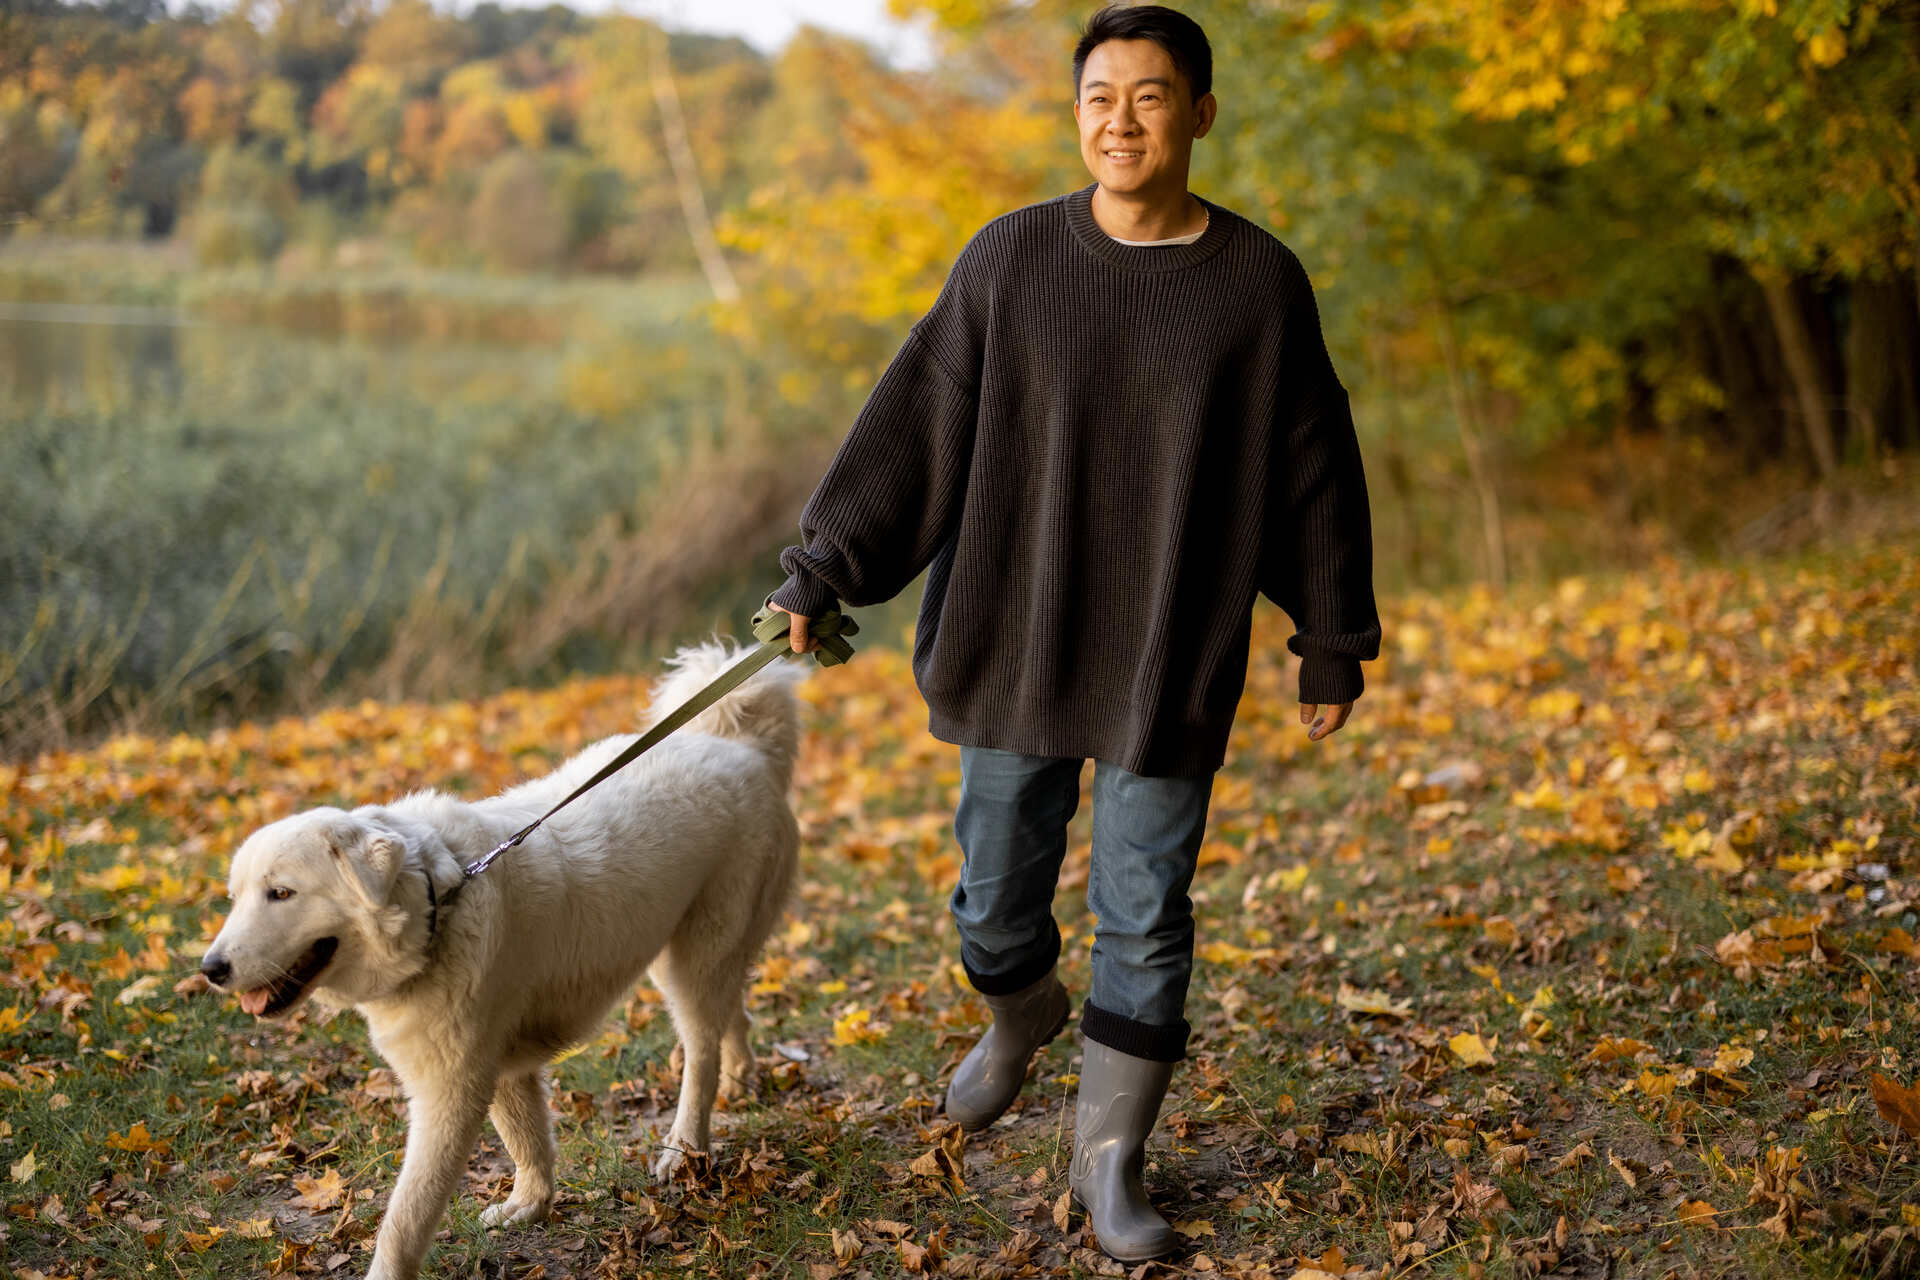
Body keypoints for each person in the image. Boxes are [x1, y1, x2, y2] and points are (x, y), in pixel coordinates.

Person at [764, 3, 1379, 1263]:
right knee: (993, 898)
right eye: (1100, 97)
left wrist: (1330, 634)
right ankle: (1019, 1009)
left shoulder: (1259, 285)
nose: (1122, 121)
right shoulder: (1009, 261)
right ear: (1076, 112)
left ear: (1199, 113)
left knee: (1147, 908)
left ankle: (1112, 1162)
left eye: (1151, 97)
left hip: (1171, 642)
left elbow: (1313, 468)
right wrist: (822, 568)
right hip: (1016, 630)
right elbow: (916, 427)